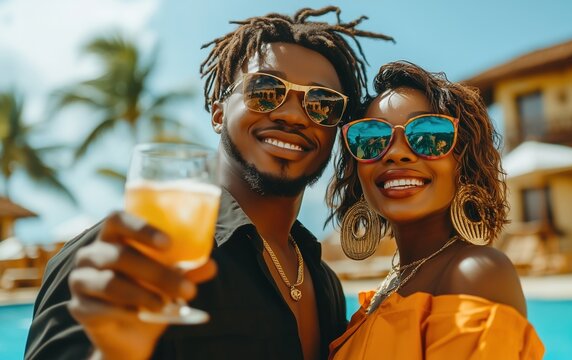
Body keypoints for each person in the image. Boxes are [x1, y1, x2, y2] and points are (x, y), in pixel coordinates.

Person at [25, 7, 393, 360]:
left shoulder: (324, 282)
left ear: (337, 133)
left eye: (322, 104)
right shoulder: (125, 260)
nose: (293, 114)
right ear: (219, 113)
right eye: (265, 91)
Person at [326, 61, 545, 359]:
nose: (397, 153)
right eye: (370, 139)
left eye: (429, 136)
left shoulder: (474, 274)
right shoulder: (392, 285)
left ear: (463, 164)